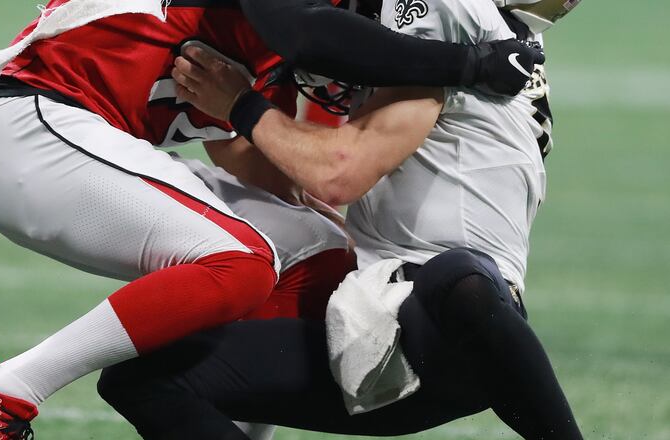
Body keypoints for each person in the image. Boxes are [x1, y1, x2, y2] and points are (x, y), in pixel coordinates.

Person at [0, 0, 545, 437]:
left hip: (80, 137)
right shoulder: (299, 20)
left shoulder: (271, 34)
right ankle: (6, 389)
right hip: (37, 123)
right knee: (239, 261)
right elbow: (305, 31)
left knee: (322, 257)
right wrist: (469, 65)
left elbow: (257, 157)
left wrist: (287, 153)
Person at [97, 0, 584, 438]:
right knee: (140, 380)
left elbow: (337, 173)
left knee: (454, 274)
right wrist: (216, 103)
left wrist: (242, 104)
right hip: (372, 333)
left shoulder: (455, 13)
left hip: (455, 330)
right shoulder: (496, 38)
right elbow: (274, 168)